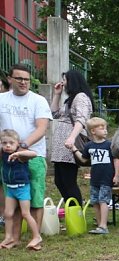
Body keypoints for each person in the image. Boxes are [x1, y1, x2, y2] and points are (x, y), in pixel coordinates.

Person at [0, 64, 51, 250]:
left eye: (26, 79)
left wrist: (22, 147)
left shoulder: (38, 100)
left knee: (35, 198)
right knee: (10, 197)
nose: (23, 82)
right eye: (19, 78)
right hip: (5, 158)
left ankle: (35, 238)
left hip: (33, 155)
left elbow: (41, 128)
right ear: (10, 79)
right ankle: (13, 238)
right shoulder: (1, 99)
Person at [49, 69, 93, 206]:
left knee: (68, 181)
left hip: (69, 145)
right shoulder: (71, 99)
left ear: (72, 81)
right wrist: (57, 94)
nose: (62, 83)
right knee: (60, 181)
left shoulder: (81, 97)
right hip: (61, 146)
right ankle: (72, 210)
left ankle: (76, 212)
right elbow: (54, 114)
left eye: (65, 80)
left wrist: (71, 138)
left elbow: (81, 119)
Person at [71, 117, 119, 234]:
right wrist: (74, 149)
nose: (105, 131)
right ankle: (99, 225)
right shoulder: (89, 146)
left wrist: (116, 175)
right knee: (95, 201)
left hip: (107, 177)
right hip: (95, 179)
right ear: (93, 131)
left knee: (103, 200)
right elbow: (83, 160)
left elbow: (116, 160)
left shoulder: (109, 144)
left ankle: (104, 226)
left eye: (106, 128)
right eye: (102, 128)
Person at [0, 129, 41, 250]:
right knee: (8, 213)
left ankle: (37, 236)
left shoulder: (21, 155)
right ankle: (9, 237)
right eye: (4, 143)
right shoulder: (3, 154)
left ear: (17, 143)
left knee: (25, 213)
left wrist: (19, 154)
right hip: (10, 189)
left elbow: (33, 154)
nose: (7, 145)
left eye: (11, 143)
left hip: (22, 188)